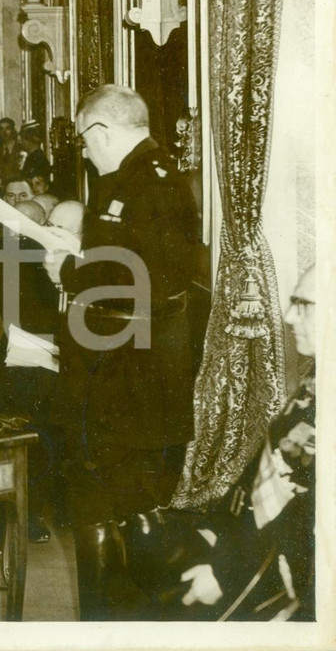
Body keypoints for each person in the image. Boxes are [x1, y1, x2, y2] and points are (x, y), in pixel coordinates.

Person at [43, 84, 200, 620]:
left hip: (126, 363)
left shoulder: (145, 181)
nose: (84, 151)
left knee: (102, 493)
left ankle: (108, 624)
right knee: (122, 494)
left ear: (102, 130)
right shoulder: (143, 175)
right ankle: (125, 619)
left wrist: (67, 269)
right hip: (126, 358)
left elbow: (136, 277)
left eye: (84, 139)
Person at [119, 265, 317, 622]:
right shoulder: (316, 382)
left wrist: (225, 571)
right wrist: (218, 530)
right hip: (257, 553)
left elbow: (302, 524)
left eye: (303, 304)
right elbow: (265, 472)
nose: (289, 316)